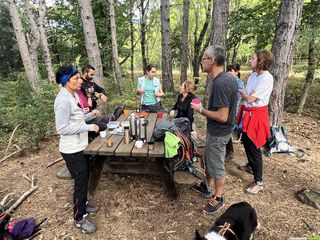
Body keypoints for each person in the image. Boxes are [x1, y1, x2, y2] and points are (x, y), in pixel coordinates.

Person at [191, 46, 238, 215]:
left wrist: (201, 110)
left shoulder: (221, 82)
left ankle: (218, 197)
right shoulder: (226, 78)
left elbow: (222, 116)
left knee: (216, 164)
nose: (201, 61)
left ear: (211, 61)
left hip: (219, 131)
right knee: (210, 158)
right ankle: (205, 185)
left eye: (203, 58)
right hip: (216, 130)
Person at [54, 65, 100, 234]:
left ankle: (84, 203)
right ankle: (79, 218)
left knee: (86, 175)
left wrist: (90, 116)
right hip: (71, 149)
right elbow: (62, 128)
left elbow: (76, 120)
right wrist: (88, 128)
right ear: (66, 82)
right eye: (76, 79)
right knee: (80, 182)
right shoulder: (62, 100)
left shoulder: (73, 96)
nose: (80, 81)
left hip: (81, 145)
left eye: (79, 78)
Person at [237, 50, 274, 195]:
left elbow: (251, 98)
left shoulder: (267, 78)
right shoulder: (253, 76)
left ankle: (259, 182)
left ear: (261, 61)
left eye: (253, 58)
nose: (250, 60)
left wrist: (246, 94)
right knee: (246, 141)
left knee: (253, 145)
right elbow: (249, 95)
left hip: (257, 116)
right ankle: (251, 165)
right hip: (249, 113)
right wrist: (248, 94)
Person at [225, 63, 244, 161]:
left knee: (228, 130)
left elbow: (236, 96)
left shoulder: (238, 82)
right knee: (225, 129)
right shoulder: (228, 81)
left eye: (231, 71)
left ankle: (230, 151)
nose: (228, 72)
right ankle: (227, 150)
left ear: (236, 72)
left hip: (232, 110)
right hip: (225, 109)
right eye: (227, 70)